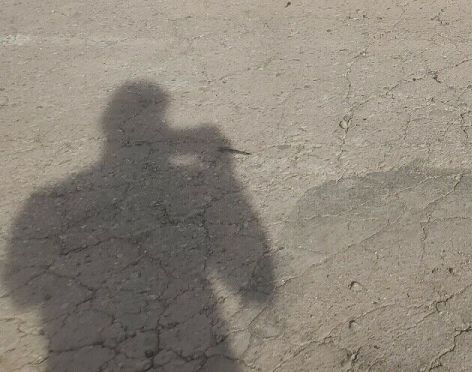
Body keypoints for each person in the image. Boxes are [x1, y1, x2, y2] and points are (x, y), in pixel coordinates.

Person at [4, 81, 275, 371]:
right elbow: (259, 290)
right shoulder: (49, 200)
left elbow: (22, 293)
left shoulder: (45, 200)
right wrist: (223, 174)